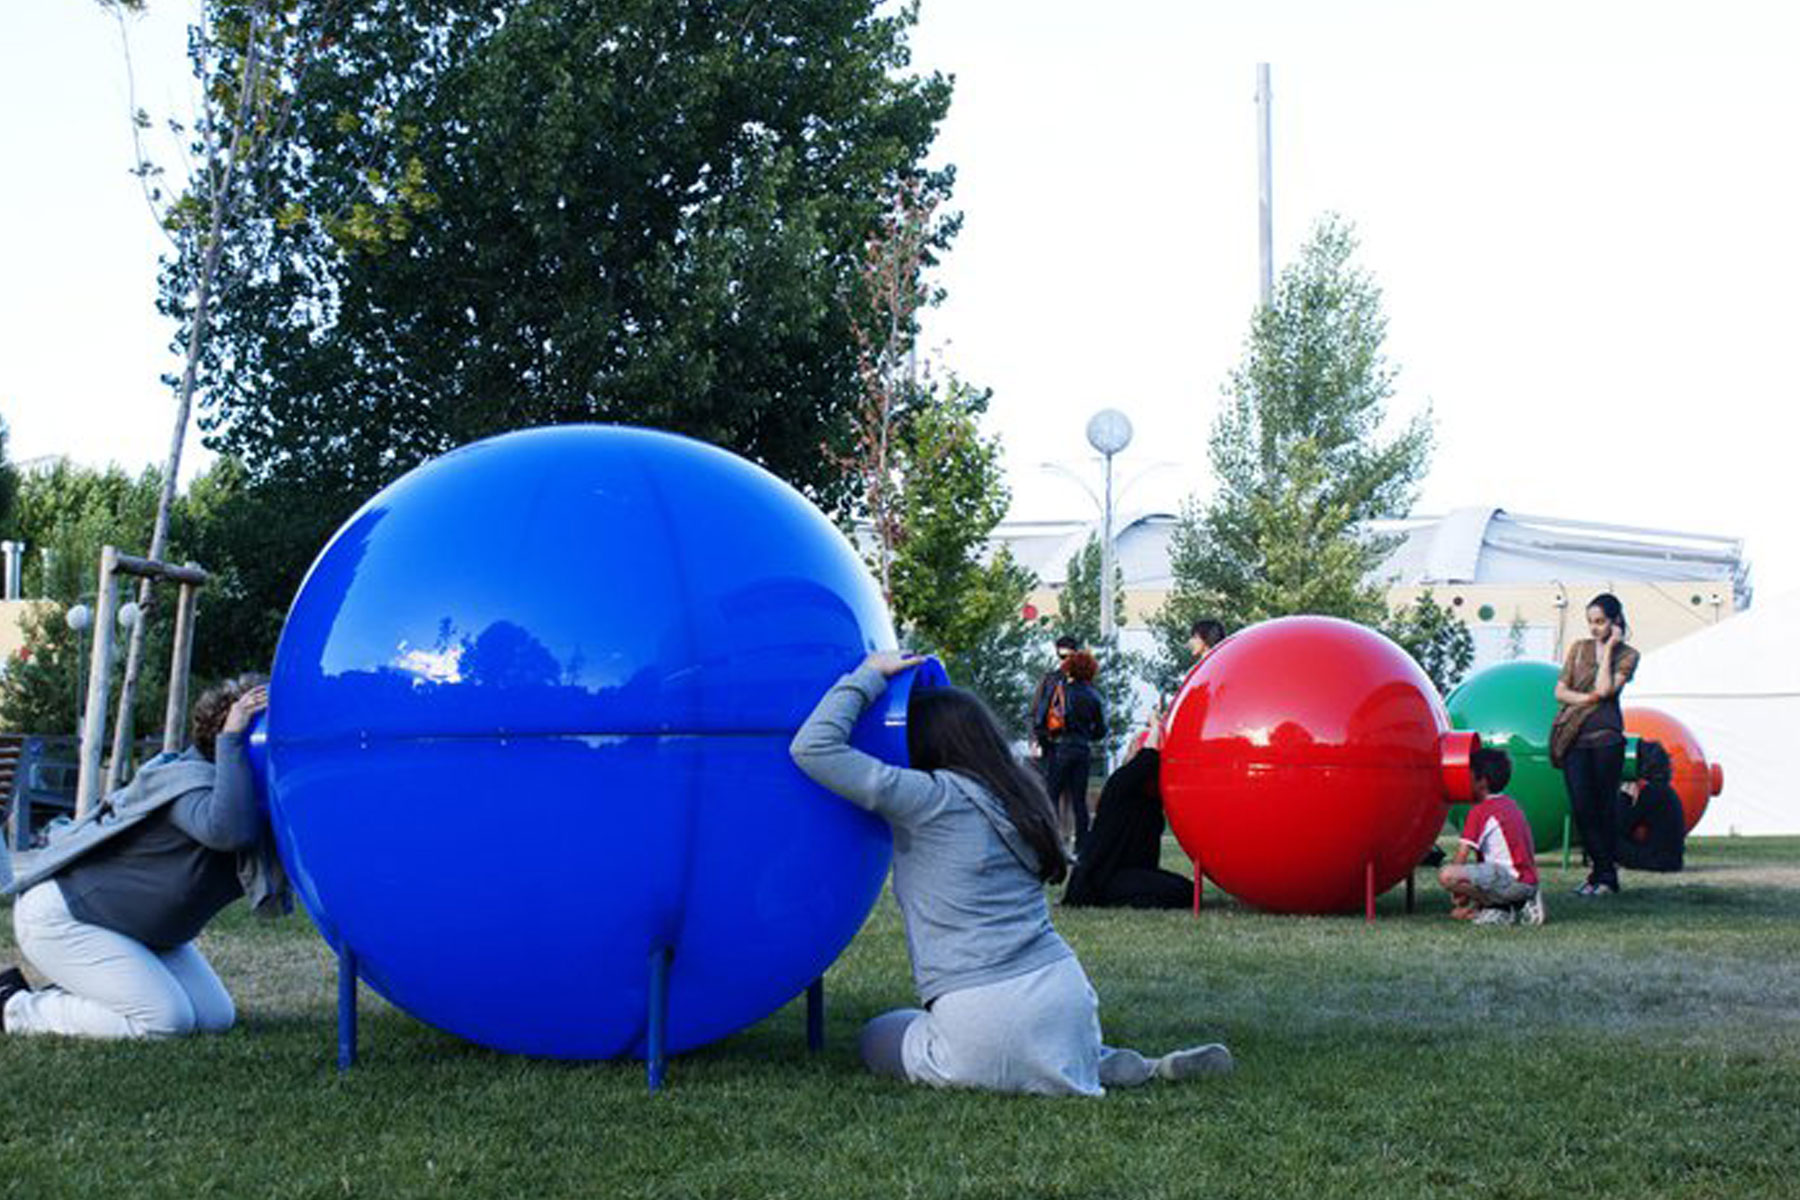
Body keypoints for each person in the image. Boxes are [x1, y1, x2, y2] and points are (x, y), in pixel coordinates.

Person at [789, 653, 1232, 1096]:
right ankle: (1120, 1064)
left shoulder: (928, 797)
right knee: (1055, 1050)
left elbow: (813, 747)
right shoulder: (1020, 795)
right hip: (1066, 995)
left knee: (876, 1036)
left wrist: (868, 676)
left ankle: (1062, 1061)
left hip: (977, 1016)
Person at [1, 676, 289, 1039]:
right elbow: (228, 832)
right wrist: (231, 739)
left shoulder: (255, 802)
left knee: (215, 1017)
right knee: (166, 1022)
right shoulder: (184, 782)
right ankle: (16, 1007)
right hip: (62, 919)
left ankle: (91, 988)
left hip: (137, 933)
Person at [1551, 593, 1640, 897]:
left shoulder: (1627, 654)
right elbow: (1559, 691)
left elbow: (1606, 688)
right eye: (1590, 621)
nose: (1594, 628)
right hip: (1575, 739)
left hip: (1607, 741)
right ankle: (1603, 873)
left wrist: (1611, 647)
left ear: (1615, 621)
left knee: (1603, 808)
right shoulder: (1578, 649)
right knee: (1582, 807)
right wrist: (1586, 699)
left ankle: (1603, 876)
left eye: (1600, 622)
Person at [1063, 713, 1190, 909]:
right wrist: (1156, 725)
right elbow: (1148, 758)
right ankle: (1108, 900)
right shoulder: (1120, 783)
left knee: (1185, 889)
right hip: (1104, 877)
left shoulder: (1150, 800)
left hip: (1131, 874)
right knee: (1176, 892)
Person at [1438, 747, 1544, 927]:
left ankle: (1514, 904)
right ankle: (1501, 909)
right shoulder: (1509, 804)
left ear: (1482, 782)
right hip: (1526, 881)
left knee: (1447, 875)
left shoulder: (1480, 811)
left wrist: (1459, 893)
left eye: (1469, 775)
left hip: (1512, 882)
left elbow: (1461, 857)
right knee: (1475, 874)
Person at [1039, 649, 1106, 855]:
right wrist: (1086, 737)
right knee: (1079, 801)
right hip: (1082, 750)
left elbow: (1043, 720)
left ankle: (1048, 843)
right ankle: (1081, 847)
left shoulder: (1060, 691)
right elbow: (1101, 730)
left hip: (1060, 747)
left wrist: (1046, 744)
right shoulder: (1095, 695)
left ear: (1069, 669)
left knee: (1051, 797)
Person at [1028, 635, 1080, 760]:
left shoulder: (1084, 683)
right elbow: (1034, 712)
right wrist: (1033, 740)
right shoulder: (1049, 680)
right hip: (1051, 744)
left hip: (1075, 745)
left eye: (1070, 656)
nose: (1065, 660)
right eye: (1062, 656)